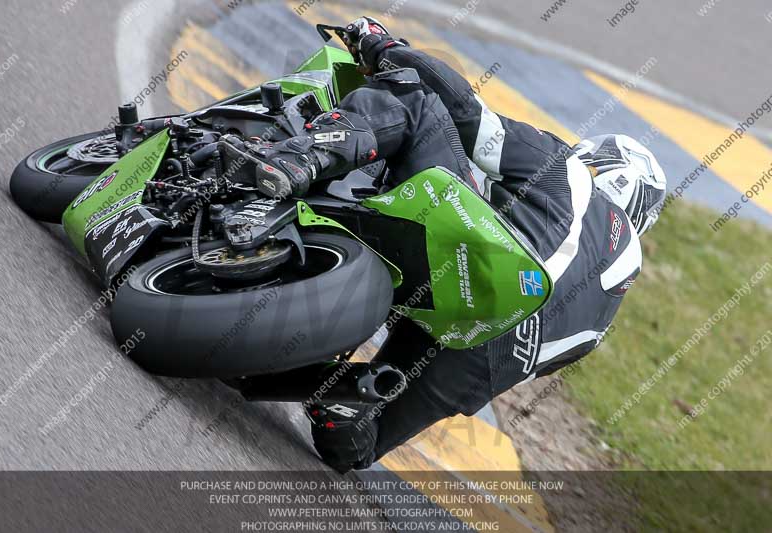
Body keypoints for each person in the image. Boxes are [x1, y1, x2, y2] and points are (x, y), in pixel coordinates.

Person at [247, 17, 667, 473]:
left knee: (418, 100)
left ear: (602, 165)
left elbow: (469, 114)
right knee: (359, 449)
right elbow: (542, 361)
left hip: (469, 262)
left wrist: (383, 45)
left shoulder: (569, 171)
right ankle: (348, 397)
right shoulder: (611, 304)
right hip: (480, 355)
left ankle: (300, 159)